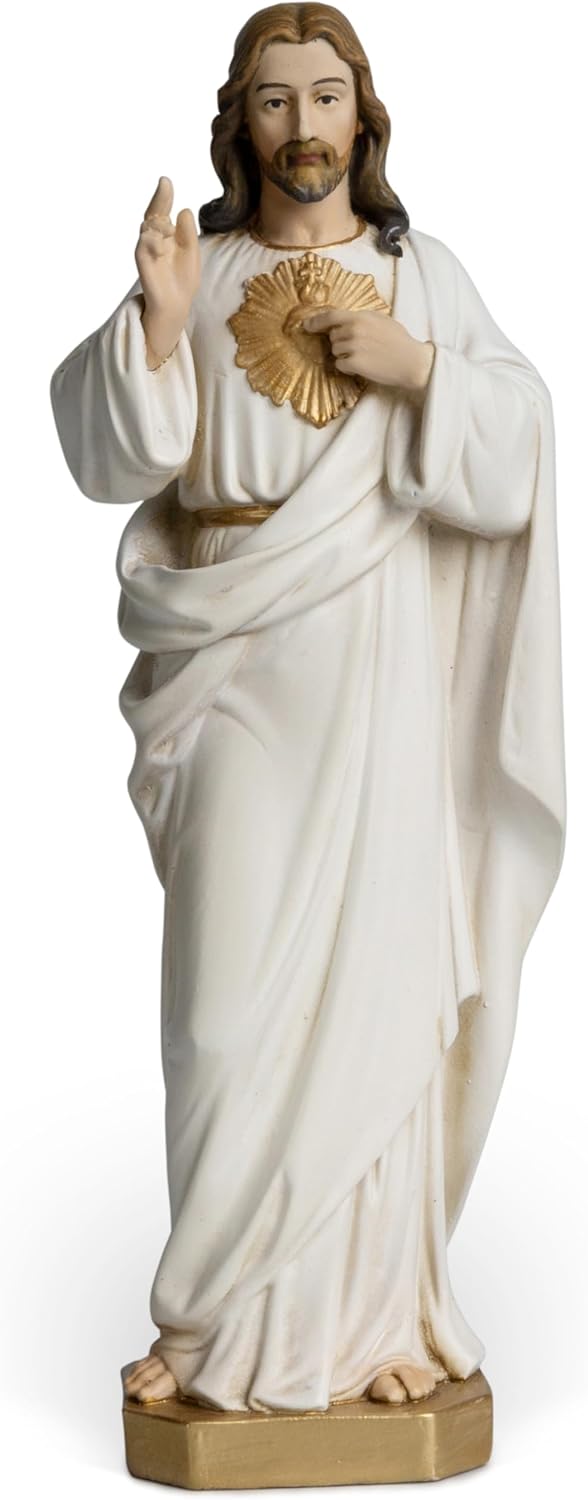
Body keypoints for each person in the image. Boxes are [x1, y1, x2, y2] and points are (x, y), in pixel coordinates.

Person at [50, 3, 565, 1414]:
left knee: (378, 985)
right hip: (228, 659)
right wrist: (156, 328)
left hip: (380, 666)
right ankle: (209, 1322)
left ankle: (384, 1317)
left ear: (364, 113)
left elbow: (524, 443)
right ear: (241, 121)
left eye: (325, 96)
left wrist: (422, 370)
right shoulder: (204, 265)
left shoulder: (423, 275)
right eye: (274, 101)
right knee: (219, 1013)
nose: (302, 126)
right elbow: (106, 455)